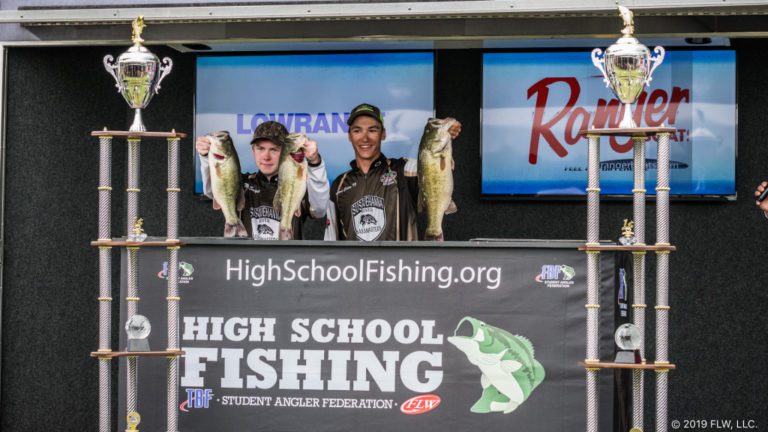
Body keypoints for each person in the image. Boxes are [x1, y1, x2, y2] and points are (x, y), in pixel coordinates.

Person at [326, 103, 461, 241]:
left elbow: (433, 167)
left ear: (383, 134)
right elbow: (329, 242)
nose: (364, 138)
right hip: (355, 263)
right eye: (357, 130)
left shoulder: (404, 169)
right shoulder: (339, 184)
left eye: (372, 130)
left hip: (401, 263)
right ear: (349, 136)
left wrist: (448, 132)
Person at [197, 121, 330, 240]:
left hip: (289, 265)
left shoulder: (298, 184)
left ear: (285, 152)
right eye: (261, 148)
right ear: (253, 150)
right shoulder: (242, 183)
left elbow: (319, 210)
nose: (266, 156)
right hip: (247, 265)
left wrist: (315, 162)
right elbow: (211, 192)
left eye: (274, 150)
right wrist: (205, 157)